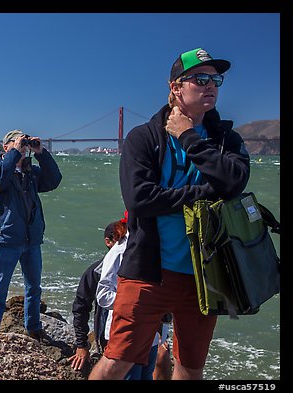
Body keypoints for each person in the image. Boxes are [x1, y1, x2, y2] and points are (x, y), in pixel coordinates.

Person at [88, 48, 250, 380]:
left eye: (216, 79)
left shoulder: (225, 139)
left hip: (206, 275)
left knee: (190, 368)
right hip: (150, 270)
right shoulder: (144, 138)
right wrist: (206, 193)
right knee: (116, 363)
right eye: (200, 78)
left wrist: (189, 137)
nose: (211, 86)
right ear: (175, 87)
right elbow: (140, 200)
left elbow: (233, 183)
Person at [0, 129, 62, 343]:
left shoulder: (31, 173)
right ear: (5, 147)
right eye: (17, 143)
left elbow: (54, 180)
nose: (23, 148)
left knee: (34, 287)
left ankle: (33, 328)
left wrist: (41, 152)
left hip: (30, 239)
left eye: (24, 145)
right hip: (6, 239)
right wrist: (15, 152)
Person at [94, 219, 170, 380]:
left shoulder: (158, 248)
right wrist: (137, 305)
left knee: (146, 376)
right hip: (126, 331)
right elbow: (103, 295)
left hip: (152, 334)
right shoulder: (120, 250)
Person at [67, 220, 123, 372]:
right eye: (120, 240)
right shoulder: (95, 272)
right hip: (108, 335)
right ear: (108, 242)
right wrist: (81, 345)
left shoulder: (140, 267)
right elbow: (80, 307)